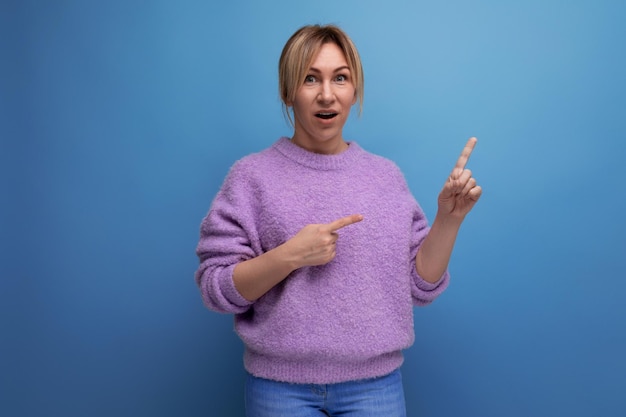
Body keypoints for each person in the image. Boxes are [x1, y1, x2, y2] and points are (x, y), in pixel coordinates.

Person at [195, 24, 482, 417]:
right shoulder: (251, 178)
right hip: (280, 389)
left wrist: (448, 220)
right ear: (287, 91)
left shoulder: (385, 177)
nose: (327, 94)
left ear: (354, 90)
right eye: (310, 78)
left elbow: (421, 285)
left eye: (340, 78)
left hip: (374, 388)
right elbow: (216, 288)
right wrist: (289, 256)